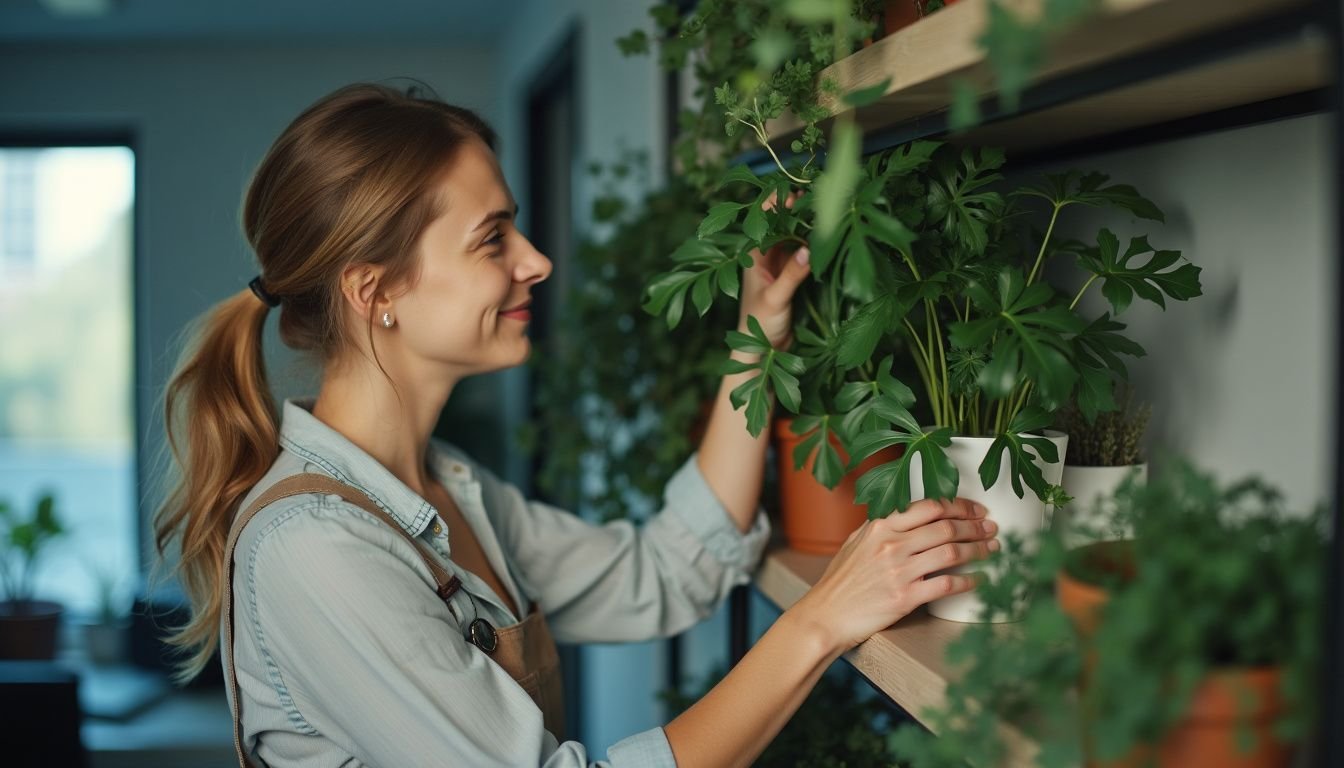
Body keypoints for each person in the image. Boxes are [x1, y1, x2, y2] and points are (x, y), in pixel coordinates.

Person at [152, 82, 999, 768]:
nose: (536, 261)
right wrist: (820, 619)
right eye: (492, 239)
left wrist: (758, 338)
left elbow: (673, 569)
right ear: (376, 293)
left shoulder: (449, 492)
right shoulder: (316, 549)